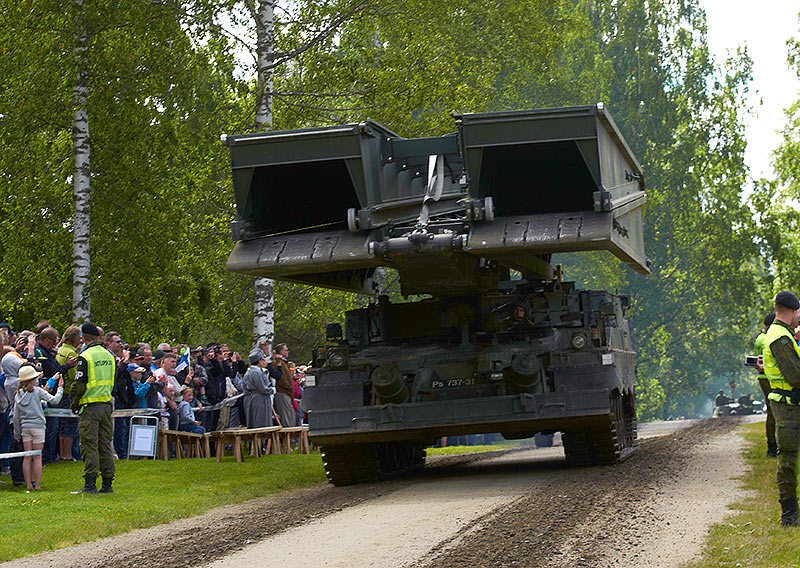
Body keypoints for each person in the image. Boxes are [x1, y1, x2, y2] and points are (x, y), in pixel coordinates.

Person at [762, 290, 800, 526]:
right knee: (788, 458)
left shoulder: (782, 334)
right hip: (788, 407)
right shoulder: (780, 338)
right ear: (794, 311)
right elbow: (795, 375)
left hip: (789, 404)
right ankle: (790, 514)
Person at [70, 322, 116, 494]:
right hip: (106, 405)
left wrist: (74, 403)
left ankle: (90, 484)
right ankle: (107, 484)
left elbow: (79, 385)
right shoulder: (109, 356)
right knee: (105, 445)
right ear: (98, 336)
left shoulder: (85, 357)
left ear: (83, 337)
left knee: (89, 445)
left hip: (90, 407)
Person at [12, 364, 63, 490]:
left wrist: (17, 434)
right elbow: (55, 400)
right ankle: (37, 485)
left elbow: (16, 417)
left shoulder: (17, 395)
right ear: (33, 379)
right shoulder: (37, 391)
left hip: (25, 427)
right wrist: (60, 388)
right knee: (37, 456)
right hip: (38, 426)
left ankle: (29, 484)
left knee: (27, 456)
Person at [55, 325, 81, 461]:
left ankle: (62, 453)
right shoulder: (71, 353)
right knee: (70, 423)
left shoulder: (61, 350)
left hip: (61, 390)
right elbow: (73, 375)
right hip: (68, 391)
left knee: (62, 423)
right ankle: (67, 454)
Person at [755, 312, 778, 457]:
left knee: (770, 410)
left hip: (762, 377)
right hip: (770, 376)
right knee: (773, 411)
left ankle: (771, 444)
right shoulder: (769, 338)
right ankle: (773, 445)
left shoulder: (760, 338)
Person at [243, 348, 275, 428]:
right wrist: (272, 390)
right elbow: (263, 388)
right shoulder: (257, 372)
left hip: (251, 398)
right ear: (259, 360)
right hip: (260, 399)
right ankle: (260, 440)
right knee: (261, 422)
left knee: (254, 421)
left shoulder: (248, 372)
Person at [270, 343, 295, 427]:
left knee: (290, 416)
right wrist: (289, 387)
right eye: (286, 350)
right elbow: (281, 379)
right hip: (283, 392)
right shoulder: (278, 363)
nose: (288, 351)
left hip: (287, 393)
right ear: (281, 352)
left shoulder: (284, 363)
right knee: (286, 419)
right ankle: (287, 439)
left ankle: (291, 438)